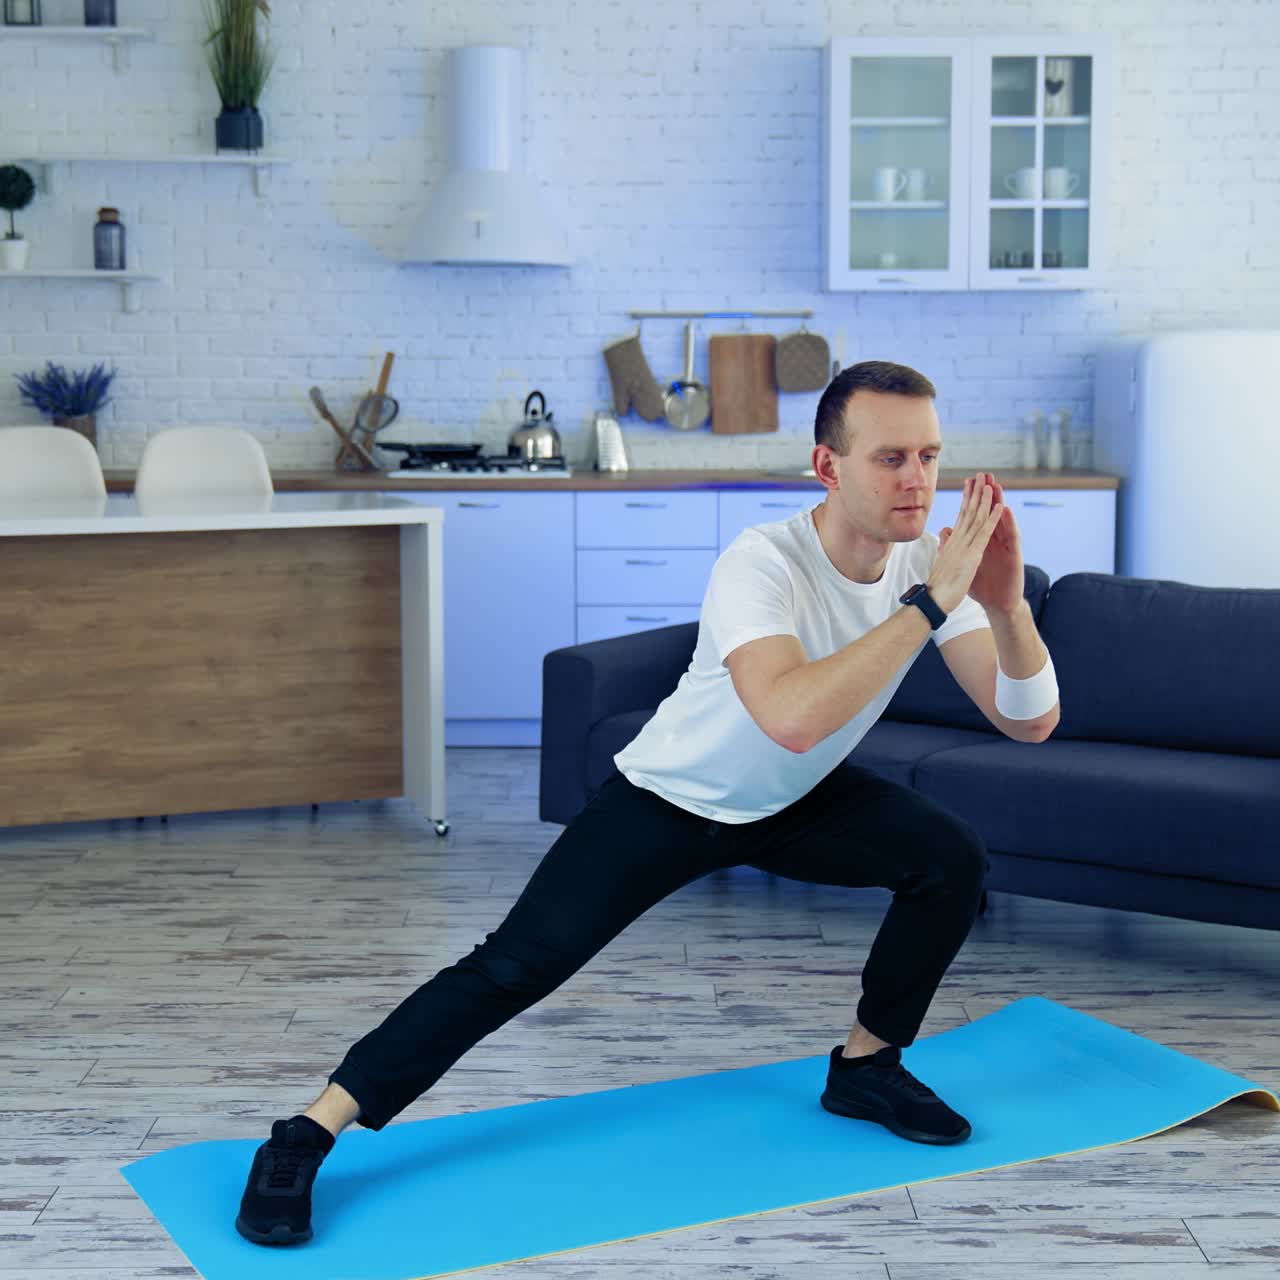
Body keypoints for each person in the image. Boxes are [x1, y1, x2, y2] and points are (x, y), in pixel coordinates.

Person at [235, 360, 1061, 1246]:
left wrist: (1006, 609)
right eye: (890, 457)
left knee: (950, 858)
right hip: (671, 797)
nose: (917, 480)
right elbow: (786, 715)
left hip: (792, 797)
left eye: (930, 456)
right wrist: (932, 605)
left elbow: (1029, 721)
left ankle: (866, 1066)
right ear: (828, 467)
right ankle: (308, 1131)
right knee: (512, 966)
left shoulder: (933, 565)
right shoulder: (764, 563)